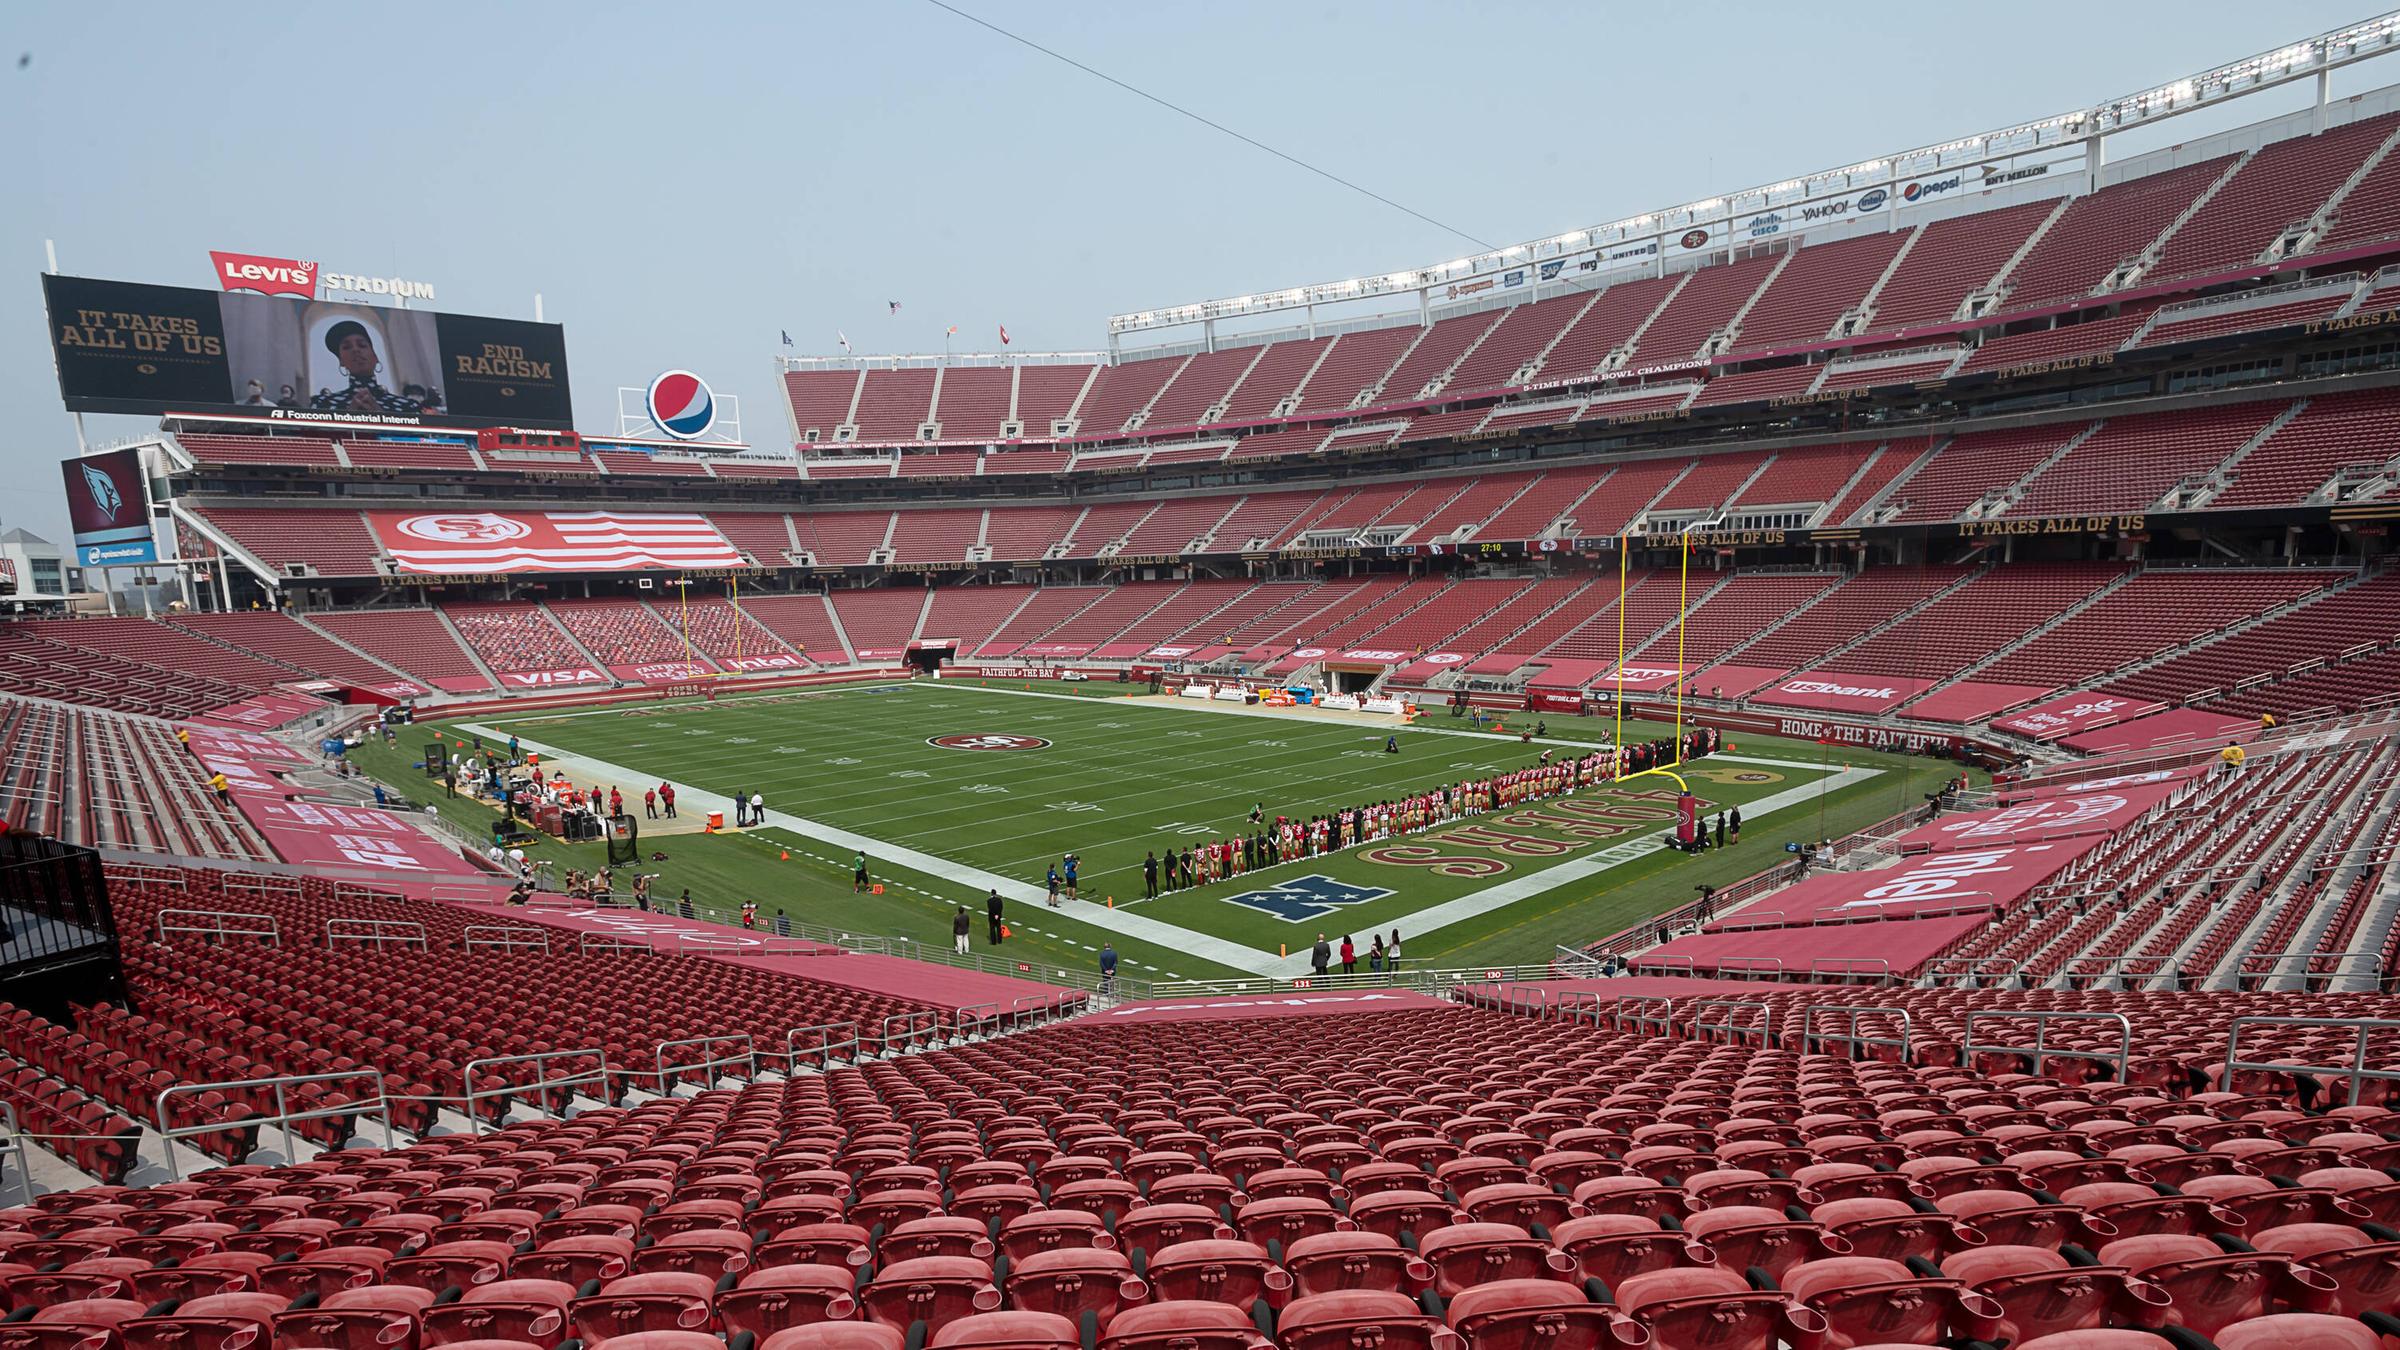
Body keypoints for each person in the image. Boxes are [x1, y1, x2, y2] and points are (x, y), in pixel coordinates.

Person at [309, 319, 427, 413]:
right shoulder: (323, 404)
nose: (355, 350)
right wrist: (348, 418)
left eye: (362, 345)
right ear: (341, 362)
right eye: (346, 347)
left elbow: (419, 440)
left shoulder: (407, 406)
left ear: (375, 357)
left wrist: (382, 418)